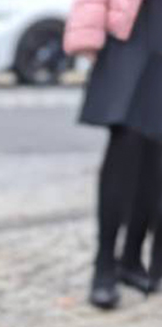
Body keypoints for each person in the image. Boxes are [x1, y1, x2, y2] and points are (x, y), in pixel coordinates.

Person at [65, 0, 162, 308]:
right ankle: (104, 264)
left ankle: (131, 259)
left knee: (157, 151)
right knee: (127, 143)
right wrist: (88, 31)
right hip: (132, 27)